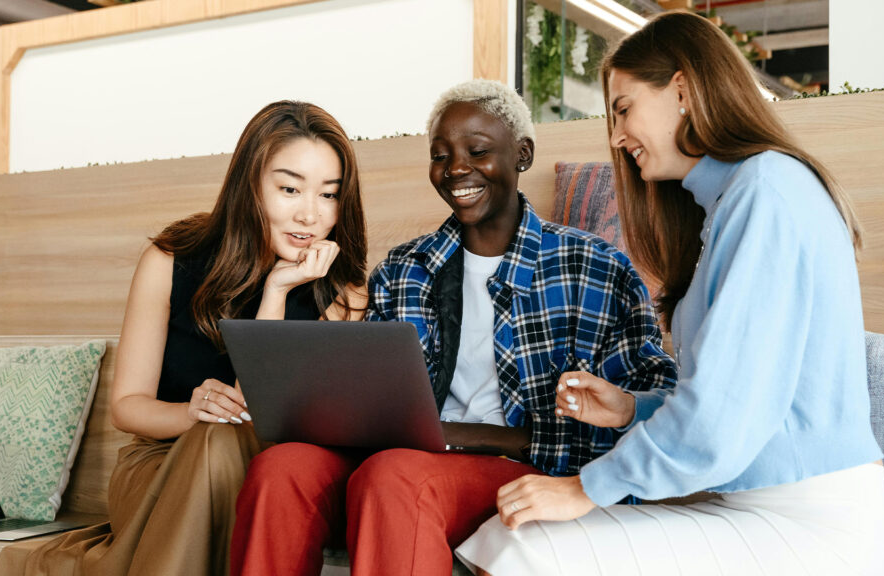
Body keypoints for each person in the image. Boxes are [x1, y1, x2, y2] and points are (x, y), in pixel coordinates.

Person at [455, 11, 884, 576]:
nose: (616, 136)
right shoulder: (731, 202)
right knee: (509, 537)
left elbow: (722, 419)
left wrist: (587, 488)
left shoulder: (766, 191)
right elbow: (742, 396)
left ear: (683, 89)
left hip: (814, 527)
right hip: (755, 510)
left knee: (520, 546)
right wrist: (630, 410)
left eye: (623, 109)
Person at [230, 79, 676, 576]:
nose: (457, 169)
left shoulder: (593, 266)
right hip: (401, 458)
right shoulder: (403, 269)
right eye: (441, 155)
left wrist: (464, 438)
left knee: (396, 475)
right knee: (281, 468)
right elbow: (369, 405)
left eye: (477, 151)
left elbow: (656, 393)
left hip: (512, 469)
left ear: (522, 154)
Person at [8, 101, 368, 576]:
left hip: (265, 475)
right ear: (250, 188)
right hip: (158, 463)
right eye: (289, 189)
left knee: (223, 444)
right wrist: (190, 413)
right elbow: (128, 406)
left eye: (328, 195)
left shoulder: (344, 295)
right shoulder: (171, 259)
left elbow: (253, 413)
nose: (309, 214)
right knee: (213, 442)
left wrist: (277, 292)